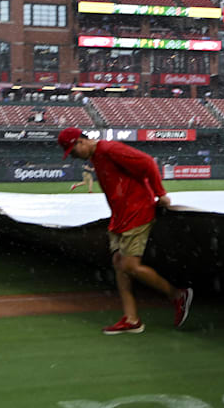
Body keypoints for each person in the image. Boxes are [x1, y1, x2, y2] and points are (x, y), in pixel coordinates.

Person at [57, 127, 192, 334]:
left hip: (137, 214)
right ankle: (132, 319)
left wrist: (160, 193)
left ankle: (177, 295)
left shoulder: (110, 149)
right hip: (120, 218)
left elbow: (147, 162)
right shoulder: (97, 156)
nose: (74, 157)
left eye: (73, 152)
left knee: (130, 266)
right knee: (119, 264)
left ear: (81, 142)